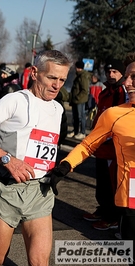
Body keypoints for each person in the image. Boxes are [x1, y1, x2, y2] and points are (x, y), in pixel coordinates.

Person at [0, 50, 71, 266]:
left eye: (62, 80)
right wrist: (7, 160)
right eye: (51, 77)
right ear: (34, 73)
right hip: (8, 189)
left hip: (40, 191)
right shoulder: (14, 100)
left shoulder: (58, 109)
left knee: (40, 262)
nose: (57, 85)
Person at [47, 59, 135, 264]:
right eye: (128, 76)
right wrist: (64, 166)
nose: (127, 82)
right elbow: (87, 146)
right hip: (131, 204)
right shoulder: (114, 114)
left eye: (134, 77)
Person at [82, 58, 127, 231]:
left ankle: (112, 217)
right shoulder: (105, 91)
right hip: (100, 147)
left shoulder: (122, 91)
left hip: (113, 150)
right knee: (102, 183)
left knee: (111, 185)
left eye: (114, 71)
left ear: (122, 73)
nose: (111, 74)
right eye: (108, 72)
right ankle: (102, 210)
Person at [67, 60, 90, 140]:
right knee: (75, 117)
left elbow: (84, 90)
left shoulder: (83, 76)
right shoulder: (78, 75)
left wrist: (77, 98)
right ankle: (76, 131)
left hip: (80, 100)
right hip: (75, 100)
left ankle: (82, 132)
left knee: (81, 117)